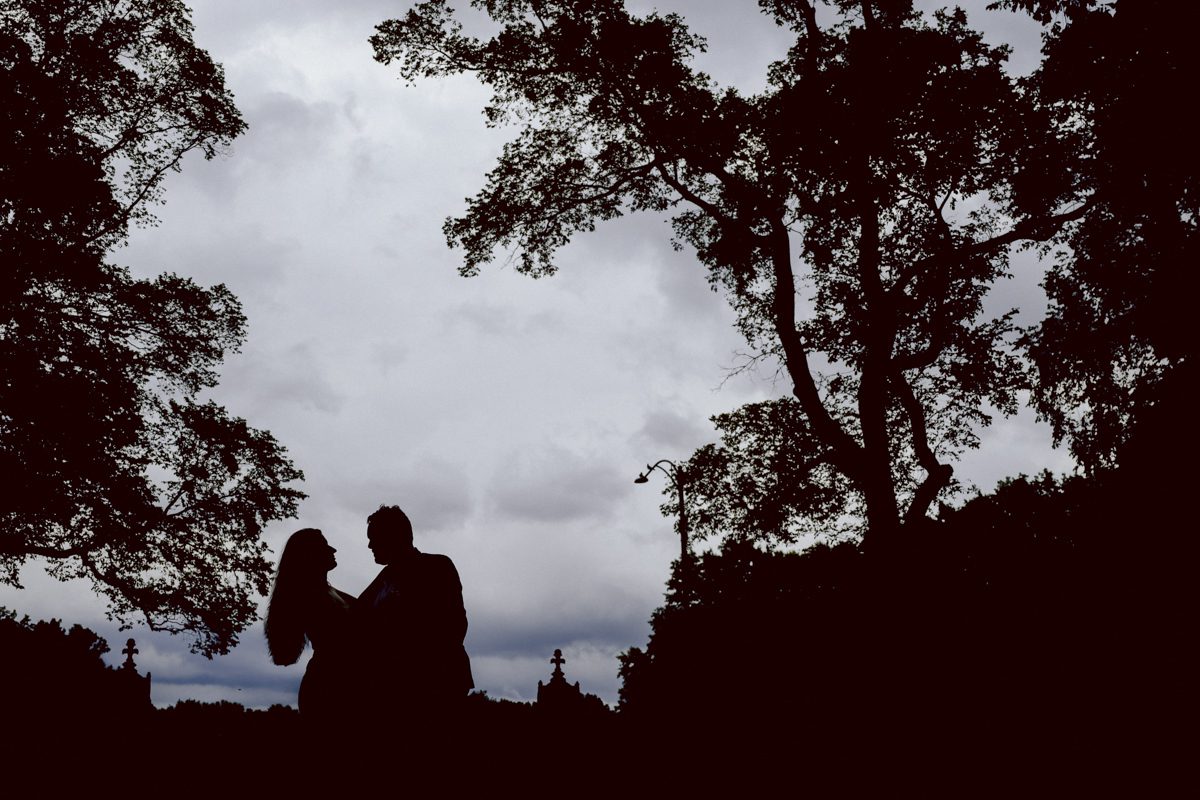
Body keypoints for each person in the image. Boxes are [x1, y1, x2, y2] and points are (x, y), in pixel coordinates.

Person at [355, 505, 473, 724]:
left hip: (434, 684)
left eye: (374, 538)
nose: (370, 545)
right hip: (396, 688)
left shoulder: (437, 567)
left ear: (393, 537)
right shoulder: (384, 578)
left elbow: (454, 625)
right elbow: (357, 615)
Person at [264, 528, 356, 722]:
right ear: (310, 556)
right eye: (324, 546)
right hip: (331, 688)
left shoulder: (327, 593)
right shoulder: (312, 597)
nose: (333, 550)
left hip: (334, 684)